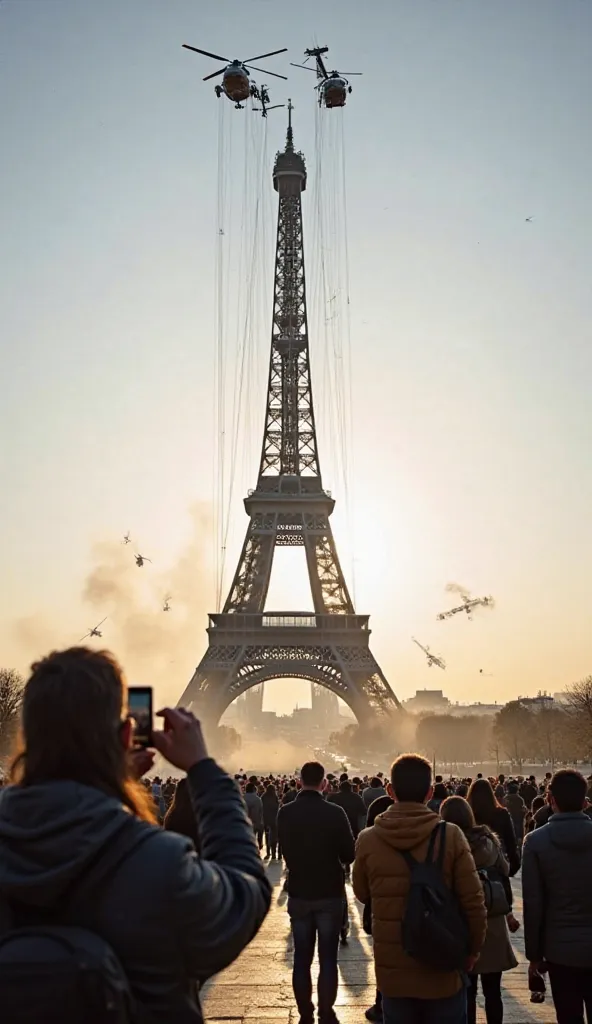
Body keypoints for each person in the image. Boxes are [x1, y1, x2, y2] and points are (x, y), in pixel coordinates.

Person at [0, 647, 271, 1023]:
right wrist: (204, 771)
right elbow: (245, 899)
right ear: (128, 734)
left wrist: (114, 784)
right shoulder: (157, 862)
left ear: (26, 735)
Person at [353, 754, 487, 1024]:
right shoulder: (451, 835)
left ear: (390, 791)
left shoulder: (368, 840)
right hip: (443, 963)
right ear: (429, 792)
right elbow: (474, 902)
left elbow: (361, 893)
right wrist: (473, 950)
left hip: (394, 973)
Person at [278, 760, 355, 1024]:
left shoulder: (285, 812)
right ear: (325, 783)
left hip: (300, 890)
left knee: (301, 958)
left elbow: (284, 849)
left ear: (299, 780)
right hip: (329, 892)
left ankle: (305, 1014)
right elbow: (349, 853)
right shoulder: (335, 813)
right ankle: (326, 1011)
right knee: (328, 959)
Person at [522, 769, 592, 1023]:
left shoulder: (535, 842)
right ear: (585, 802)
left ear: (550, 799)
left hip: (559, 948)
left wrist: (533, 957)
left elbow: (533, 904)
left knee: (568, 1014)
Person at [440, 796, 517, 1024]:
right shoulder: (488, 840)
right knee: (493, 991)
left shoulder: (447, 843)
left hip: (460, 920)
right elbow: (505, 870)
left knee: (467, 991)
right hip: (492, 918)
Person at [467, 778, 521, 933]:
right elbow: (511, 846)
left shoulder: (468, 815)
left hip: (471, 874)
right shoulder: (502, 814)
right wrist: (510, 869)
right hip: (497, 875)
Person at [261, 782, 280, 859]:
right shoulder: (275, 797)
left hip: (266, 819)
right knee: (274, 836)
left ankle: (268, 853)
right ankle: (274, 853)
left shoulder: (263, 797)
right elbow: (277, 808)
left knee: (267, 836)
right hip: (274, 819)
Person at [244, 781, 264, 850]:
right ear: (254, 789)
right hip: (256, 823)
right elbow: (261, 813)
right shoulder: (258, 799)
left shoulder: (241, 798)